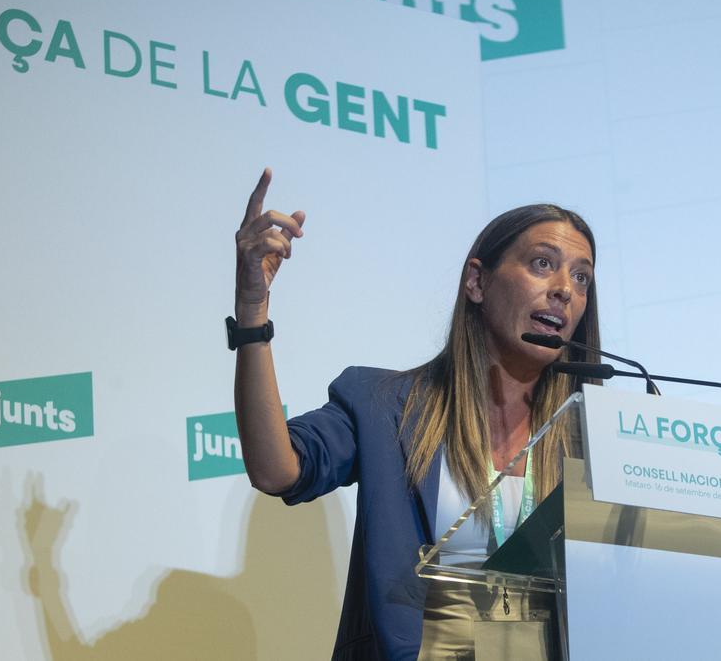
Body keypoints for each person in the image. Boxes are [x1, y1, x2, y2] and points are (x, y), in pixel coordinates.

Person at [231, 168, 601, 660]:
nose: (564, 290)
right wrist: (253, 312)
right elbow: (277, 469)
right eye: (542, 264)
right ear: (476, 281)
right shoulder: (383, 404)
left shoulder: (593, 441)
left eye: (580, 276)